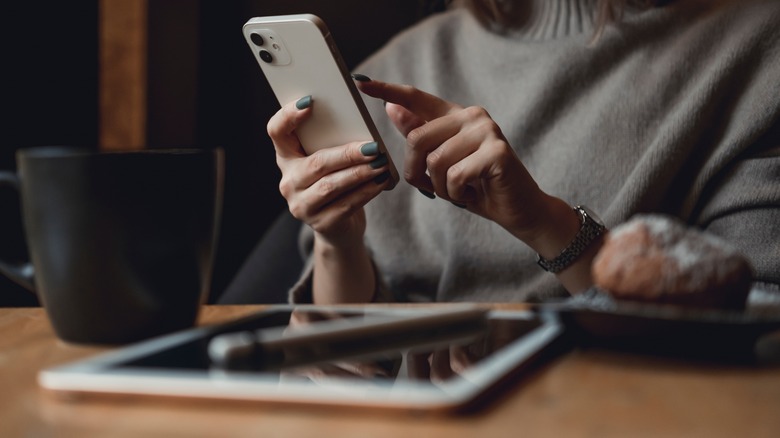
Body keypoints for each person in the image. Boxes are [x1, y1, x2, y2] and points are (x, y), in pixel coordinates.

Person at [236, 0, 780, 305]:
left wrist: (548, 224)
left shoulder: (756, 50)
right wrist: (337, 242)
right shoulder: (398, 64)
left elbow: (757, 332)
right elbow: (342, 356)